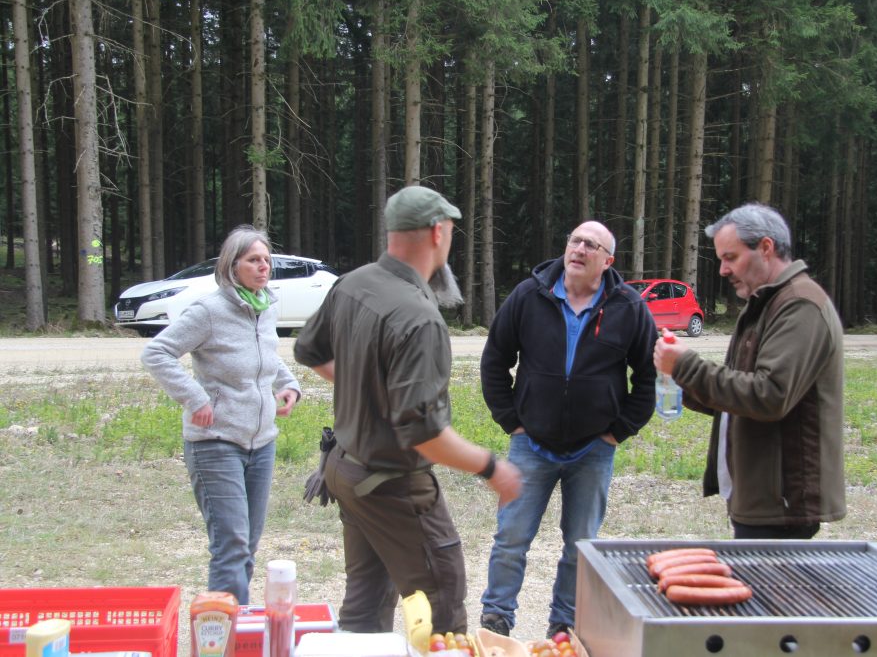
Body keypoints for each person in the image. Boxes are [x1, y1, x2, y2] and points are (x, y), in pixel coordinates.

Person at [293, 185, 521, 635]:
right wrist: (494, 467)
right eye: (452, 228)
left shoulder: (353, 282)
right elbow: (427, 435)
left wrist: (366, 385)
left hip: (346, 470)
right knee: (442, 600)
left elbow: (309, 351)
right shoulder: (419, 317)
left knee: (366, 600)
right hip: (391, 484)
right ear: (438, 232)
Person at [478, 220, 657, 639]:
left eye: (591, 245)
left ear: (607, 260)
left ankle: (564, 623)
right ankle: (496, 617)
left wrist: (619, 430)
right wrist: (512, 422)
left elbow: (650, 375)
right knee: (511, 538)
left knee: (581, 545)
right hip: (531, 446)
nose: (578, 249)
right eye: (574, 240)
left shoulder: (628, 307)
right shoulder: (529, 295)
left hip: (593, 450)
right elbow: (494, 360)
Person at [653, 202, 846, 539]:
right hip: (760, 497)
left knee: (767, 594)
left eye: (731, 257)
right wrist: (679, 381)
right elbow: (737, 397)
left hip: (782, 503)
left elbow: (769, 396)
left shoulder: (800, 304)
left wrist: (685, 364)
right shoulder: (766, 304)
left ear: (766, 248)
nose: (723, 270)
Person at [141, 225, 301, 604]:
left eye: (267, 261)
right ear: (232, 265)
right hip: (216, 443)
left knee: (246, 546)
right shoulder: (209, 311)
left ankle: (234, 623)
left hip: (261, 442)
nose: (263, 268)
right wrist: (195, 398)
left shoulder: (265, 306)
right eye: (253, 260)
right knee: (231, 546)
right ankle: (228, 637)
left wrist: (290, 384)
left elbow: (267, 355)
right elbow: (156, 353)